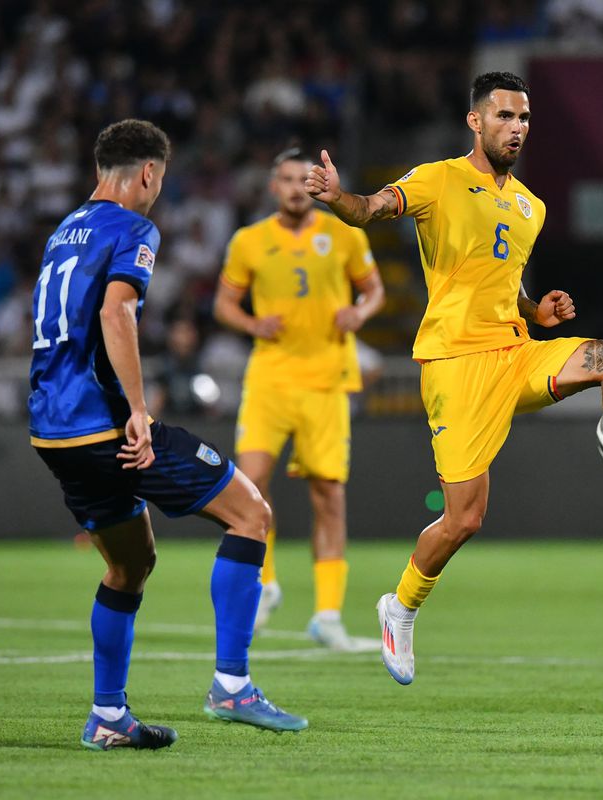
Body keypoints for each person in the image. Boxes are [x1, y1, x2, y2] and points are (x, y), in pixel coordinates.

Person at [304, 72, 603, 686]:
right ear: (475, 121)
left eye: (523, 119)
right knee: (464, 519)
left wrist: (534, 312)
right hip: (455, 364)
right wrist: (338, 196)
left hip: (516, 352)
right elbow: (367, 211)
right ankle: (401, 608)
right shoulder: (435, 179)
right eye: (503, 117)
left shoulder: (530, 206)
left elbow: (507, 279)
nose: (516, 128)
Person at [27, 119, 307, 751]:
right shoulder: (133, 227)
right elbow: (116, 309)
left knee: (130, 565)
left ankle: (108, 716)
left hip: (52, 430)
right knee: (251, 514)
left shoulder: (62, 232)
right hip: (103, 424)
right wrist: (137, 408)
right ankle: (232, 685)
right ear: (149, 173)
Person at [214, 148, 385, 650]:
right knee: (249, 485)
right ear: (273, 186)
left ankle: (328, 616)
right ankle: (265, 584)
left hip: (328, 380)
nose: (294, 187)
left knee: (328, 495)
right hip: (269, 378)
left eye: (302, 178)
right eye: (285, 178)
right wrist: (251, 323)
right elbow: (224, 303)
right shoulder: (249, 241)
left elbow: (373, 291)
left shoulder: (344, 234)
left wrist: (360, 313)